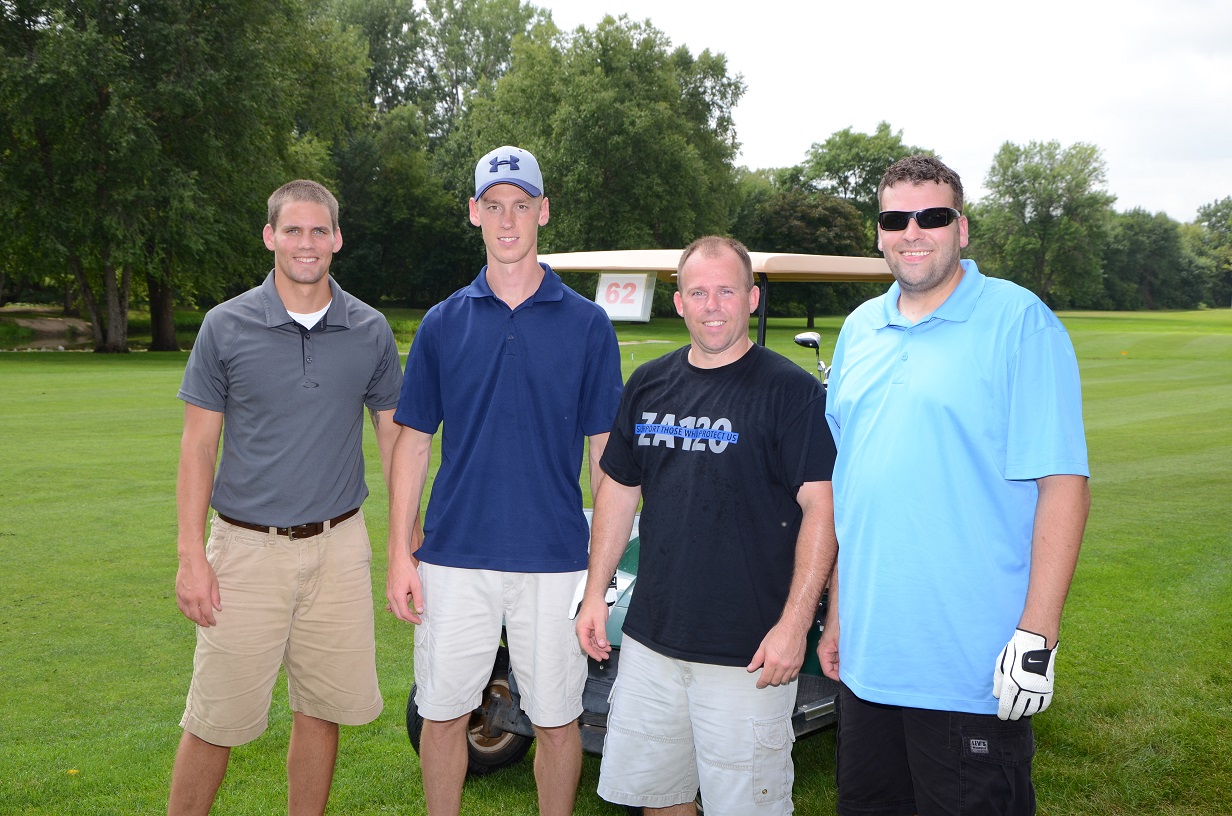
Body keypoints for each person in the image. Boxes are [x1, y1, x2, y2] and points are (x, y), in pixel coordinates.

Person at [818, 154, 1091, 815]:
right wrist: (837, 611)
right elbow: (850, 486)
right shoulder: (858, 331)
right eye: (895, 217)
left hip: (970, 666)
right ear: (879, 232)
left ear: (960, 228)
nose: (913, 231)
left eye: (932, 215)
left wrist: (1037, 634)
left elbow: (1063, 483)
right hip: (869, 666)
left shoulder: (1018, 320)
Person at [385, 145, 623, 816]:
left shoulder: (587, 324)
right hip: (454, 557)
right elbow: (413, 446)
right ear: (474, 213)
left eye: (521, 206)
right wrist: (401, 552)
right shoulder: (441, 322)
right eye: (494, 206)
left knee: (555, 719)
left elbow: (609, 463)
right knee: (441, 712)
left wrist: (598, 583)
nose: (508, 220)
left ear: (543, 212)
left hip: (553, 560)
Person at [575, 236, 839, 815]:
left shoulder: (788, 391)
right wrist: (595, 595)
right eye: (699, 292)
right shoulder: (648, 383)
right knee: (659, 799)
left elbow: (823, 509)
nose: (712, 304)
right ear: (678, 302)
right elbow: (618, 491)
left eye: (726, 290)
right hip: (651, 642)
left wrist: (795, 626)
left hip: (747, 651)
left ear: (751, 298)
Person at [168, 180, 404, 816]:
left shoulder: (370, 329)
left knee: (321, 710)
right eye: (293, 230)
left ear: (337, 239)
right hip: (245, 552)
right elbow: (198, 449)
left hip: (340, 546)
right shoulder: (225, 325)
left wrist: (406, 543)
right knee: (215, 719)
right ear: (271, 237)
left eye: (319, 231)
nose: (307, 243)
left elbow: (393, 440)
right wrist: (192, 556)